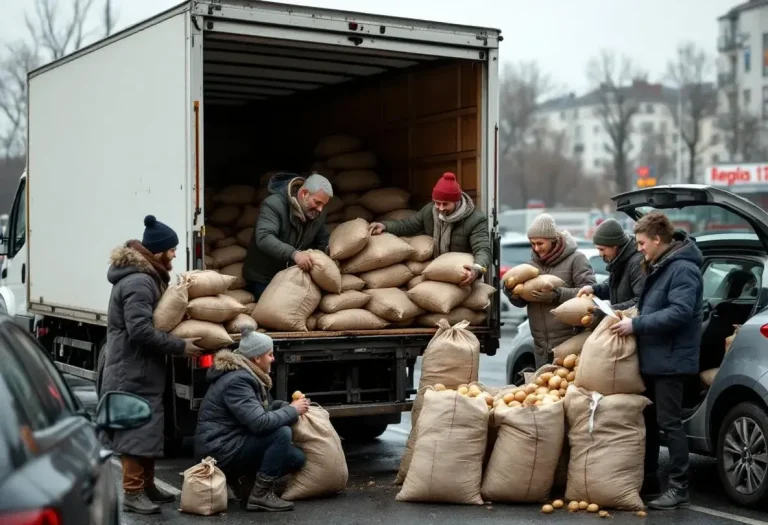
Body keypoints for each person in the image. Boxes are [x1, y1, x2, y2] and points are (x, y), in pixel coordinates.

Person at [100, 215, 204, 515]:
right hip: (132, 369)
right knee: (135, 428)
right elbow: (140, 331)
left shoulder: (145, 277)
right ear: (158, 251)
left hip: (141, 368)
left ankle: (146, 484)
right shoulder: (139, 282)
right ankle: (133, 493)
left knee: (149, 426)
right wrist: (180, 346)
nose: (174, 255)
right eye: (171, 250)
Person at [610, 212, 703, 510]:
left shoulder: (682, 269)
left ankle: (679, 488)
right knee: (649, 421)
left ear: (658, 239)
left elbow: (680, 312)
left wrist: (636, 325)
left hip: (672, 360)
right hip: (656, 357)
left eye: (641, 243)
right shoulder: (661, 265)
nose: (639, 248)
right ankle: (650, 479)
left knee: (669, 423)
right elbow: (650, 305)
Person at [194, 327, 310, 513]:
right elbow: (260, 423)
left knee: (295, 457)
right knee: (281, 433)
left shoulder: (246, 374)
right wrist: (292, 410)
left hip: (232, 442)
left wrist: (284, 406)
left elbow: (259, 411)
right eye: (270, 354)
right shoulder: (237, 381)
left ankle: (244, 484)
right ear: (256, 358)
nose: (273, 359)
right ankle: (260, 495)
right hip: (220, 451)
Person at [503, 214, 596, 369]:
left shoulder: (576, 260)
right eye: (532, 244)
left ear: (552, 240)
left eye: (540, 243)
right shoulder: (531, 265)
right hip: (541, 346)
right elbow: (522, 302)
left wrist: (557, 295)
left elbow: (589, 294)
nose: (536, 248)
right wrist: (512, 293)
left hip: (570, 341)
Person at [368, 172, 490, 286]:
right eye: (437, 203)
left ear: (456, 201)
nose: (440, 208)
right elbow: (408, 225)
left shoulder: (475, 219)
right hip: (436, 268)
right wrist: (385, 226)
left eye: (445, 204)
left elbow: (482, 249)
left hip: (459, 272)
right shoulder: (429, 211)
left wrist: (477, 269)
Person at [243, 173, 333, 300]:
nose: (320, 209)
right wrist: (294, 254)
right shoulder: (274, 205)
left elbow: (323, 240)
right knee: (280, 304)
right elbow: (264, 237)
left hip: (293, 275)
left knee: (315, 300)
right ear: (304, 194)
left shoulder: (317, 213)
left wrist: (332, 252)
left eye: (323, 205)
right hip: (263, 278)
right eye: (317, 202)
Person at [577, 218, 645, 311]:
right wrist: (593, 289)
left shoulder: (637, 263)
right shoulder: (619, 261)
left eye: (602, 249)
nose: (600, 254)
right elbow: (612, 287)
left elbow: (641, 301)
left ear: (615, 246)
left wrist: (610, 310)